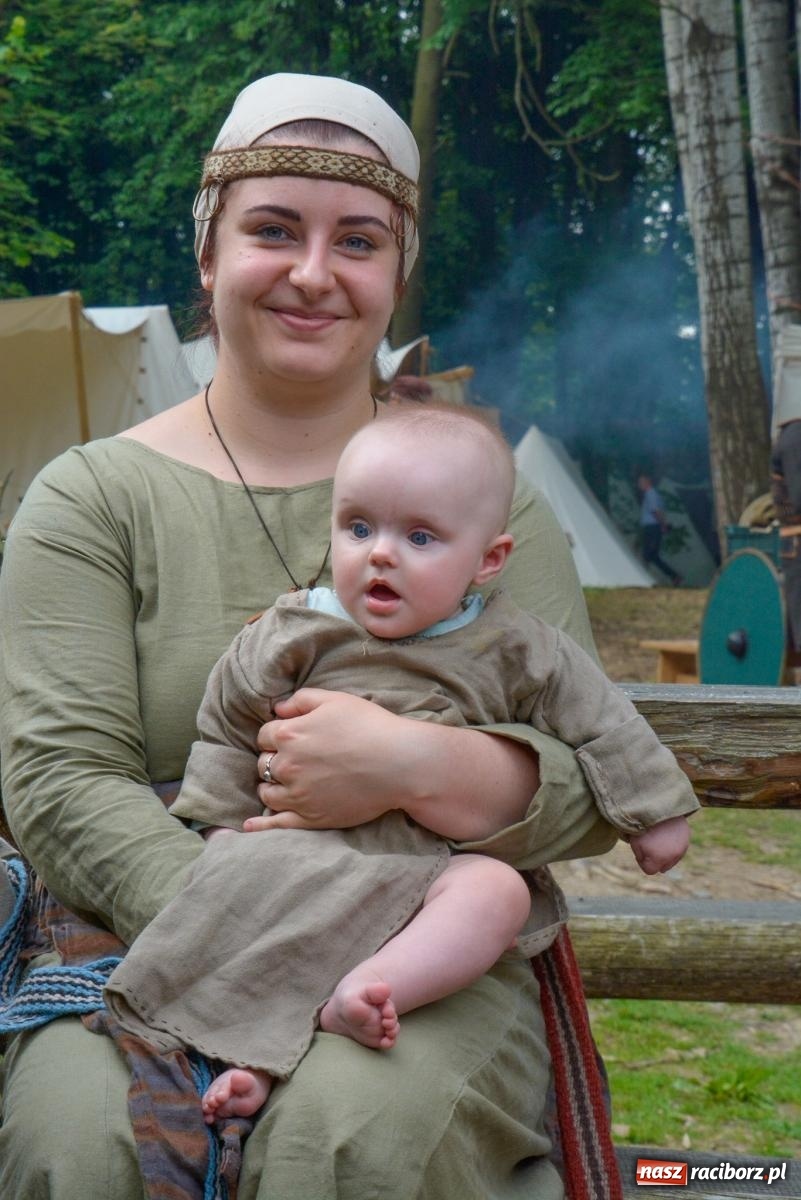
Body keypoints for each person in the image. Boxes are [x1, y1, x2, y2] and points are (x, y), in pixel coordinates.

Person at [0, 70, 637, 1200]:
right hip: (141, 925)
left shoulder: (496, 504)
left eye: (356, 241)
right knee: (85, 1148)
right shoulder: (90, 499)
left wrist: (416, 764)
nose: (312, 273)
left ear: (396, 277)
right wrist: (266, 936)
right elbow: (58, 780)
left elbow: (589, 778)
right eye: (273, 231)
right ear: (207, 255)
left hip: (423, 954)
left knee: (345, 1145)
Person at [103, 403, 698, 1127]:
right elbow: (227, 725)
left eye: (419, 536)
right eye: (358, 527)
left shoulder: (515, 644)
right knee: (255, 907)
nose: (379, 553)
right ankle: (250, 1063)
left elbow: (603, 721)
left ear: (487, 559)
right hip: (300, 848)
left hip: (425, 867)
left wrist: (655, 810)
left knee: (495, 894)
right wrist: (219, 824)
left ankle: (372, 987)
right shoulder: (297, 628)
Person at [637, 471, 682, 586]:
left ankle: (644, 580)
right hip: (652, 527)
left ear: (648, 482)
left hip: (652, 528)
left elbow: (655, 511)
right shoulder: (652, 494)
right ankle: (674, 576)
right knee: (652, 555)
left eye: (641, 482)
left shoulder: (650, 494)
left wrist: (663, 525)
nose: (639, 484)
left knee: (648, 554)